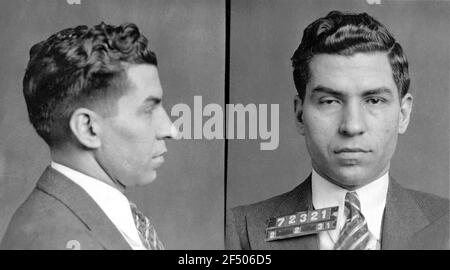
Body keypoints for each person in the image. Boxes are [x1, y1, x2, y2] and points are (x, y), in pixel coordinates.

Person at [225, 11, 449, 250]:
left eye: (374, 100)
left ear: (403, 114)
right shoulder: (239, 232)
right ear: (300, 114)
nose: (352, 126)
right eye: (330, 101)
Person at [0, 22, 179, 250]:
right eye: (147, 110)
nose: (171, 129)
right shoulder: (53, 239)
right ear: (87, 128)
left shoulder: (85, 216)